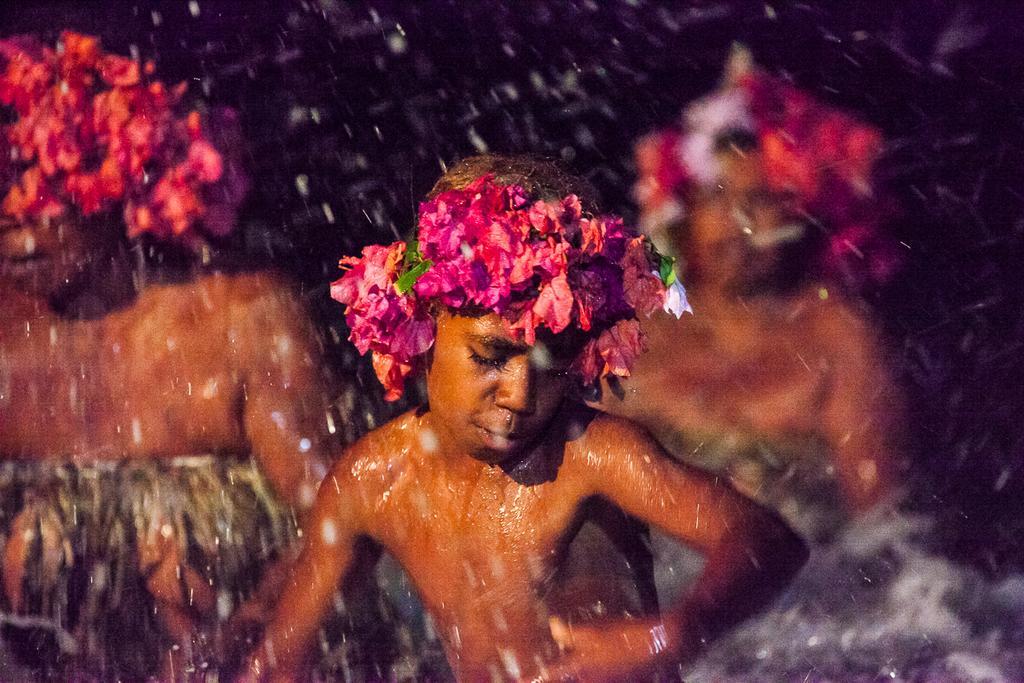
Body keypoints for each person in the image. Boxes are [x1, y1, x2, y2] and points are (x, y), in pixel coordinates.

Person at [241, 155, 807, 681]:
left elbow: (768, 540)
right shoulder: (371, 481)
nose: (519, 395)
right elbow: (277, 665)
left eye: (549, 361)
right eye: (490, 357)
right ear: (422, 324)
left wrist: (674, 634)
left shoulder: (594, 456)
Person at [0, 32, 351, 677]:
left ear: (108, 173)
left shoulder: (239, 320)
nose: (7, 216)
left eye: (27, 185)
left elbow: (341, 522)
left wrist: (249, 641)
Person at [602, 47, 906, 521]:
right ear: (683, 214)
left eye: (760, 200)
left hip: (810, 586)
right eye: (716, 198)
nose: (739, 223)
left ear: (799, 210)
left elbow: (885, 533)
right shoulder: (633, 334)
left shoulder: (838, 339)